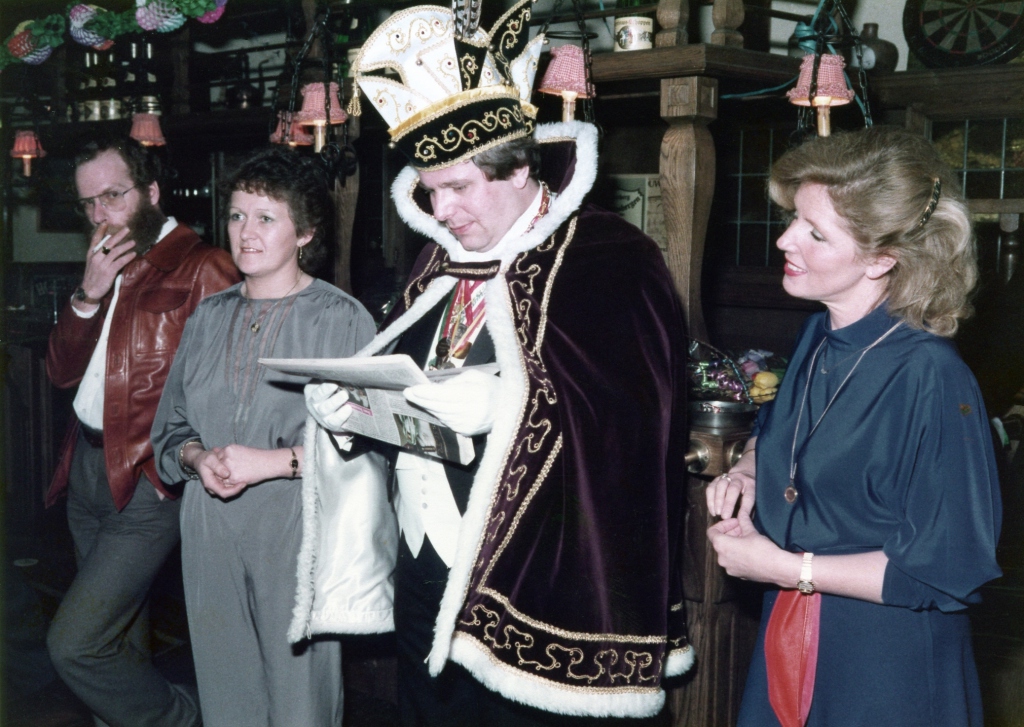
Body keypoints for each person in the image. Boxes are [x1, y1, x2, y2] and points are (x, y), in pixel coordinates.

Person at [306, 2, 692, 724]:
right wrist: (352, 415)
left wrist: (503, 401)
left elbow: (639, 423)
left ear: (519, 167)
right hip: (425, 562)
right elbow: (408, 380)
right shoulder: (439, 257)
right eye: (429, 190)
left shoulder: (610, 258)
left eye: (458, 187)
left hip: (535, 578)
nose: (440, 211)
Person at [706, 126, 1002, 727]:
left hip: (885, 661)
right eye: (794, 218)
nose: (785, 238)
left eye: (816, 232)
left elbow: (947, 568)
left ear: (882, 259)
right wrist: (750, 471)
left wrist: (785, 569)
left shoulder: (931, 376)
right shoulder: (822, 332)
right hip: (793, 629)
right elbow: (782, 428)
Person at [151, 147, 392, 727]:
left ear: (305, 232)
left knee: (300, 702)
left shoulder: (341, 318)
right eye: (237, 216)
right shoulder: (207, 316)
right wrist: (196, 457)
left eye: (266, 217)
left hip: (297, 524)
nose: (246, 232)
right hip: (208, 525)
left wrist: (274, 462)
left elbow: (373, 442)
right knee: (225, 696)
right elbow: (170, 428)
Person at [45, 135, 238, 727]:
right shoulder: (104, 263)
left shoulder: (204, 266)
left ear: (151, 192)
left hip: (148, 480)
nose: (99, 215)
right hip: (86, 469)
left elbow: (232, 389)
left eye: (113, 196)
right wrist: (89, 293)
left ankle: (188, 719)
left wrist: (178, 467)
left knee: (75, 645)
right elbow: (59, 372)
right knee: (116, 645)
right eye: (88, 203)